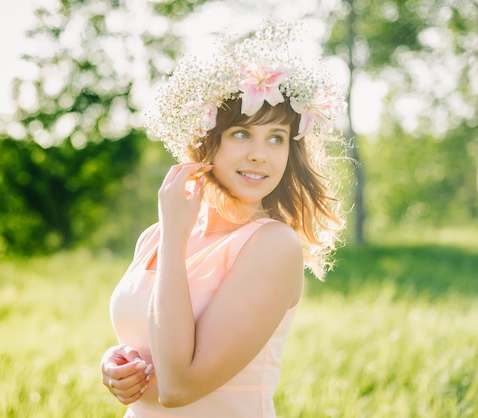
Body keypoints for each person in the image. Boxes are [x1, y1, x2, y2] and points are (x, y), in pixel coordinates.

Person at [100, 21, 347, 417]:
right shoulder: (156, 236)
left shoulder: (272, 245)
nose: (259, 155)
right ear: (207, 139)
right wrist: (117, 364)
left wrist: (176, 238)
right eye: (241, 134)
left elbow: (179, 388)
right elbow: (152, 345)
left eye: (276, 138)